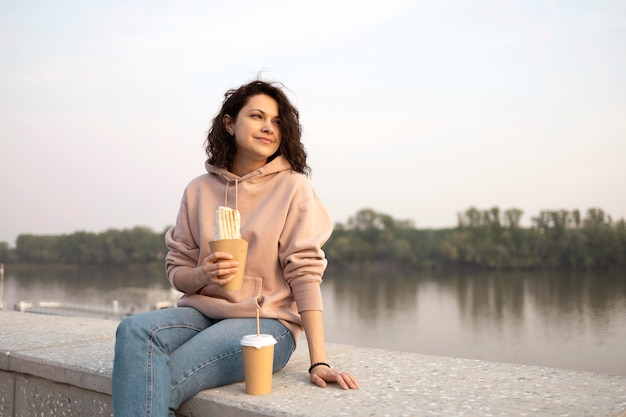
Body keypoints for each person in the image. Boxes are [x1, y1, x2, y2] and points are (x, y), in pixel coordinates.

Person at [112, 79, 358, 416]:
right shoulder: (198, 190)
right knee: (133, 329)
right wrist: (203, 272)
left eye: (276, 122)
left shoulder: (293, 187)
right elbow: (177, 272)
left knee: (159, 377)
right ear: (229, 123)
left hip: (266, 324)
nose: (268, 128)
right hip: (200, 314)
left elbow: (305, 274)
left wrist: (319, 361)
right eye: (257, 116)